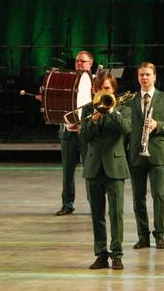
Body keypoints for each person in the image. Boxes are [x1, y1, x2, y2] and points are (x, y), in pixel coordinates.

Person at [79, 73, 131, 270]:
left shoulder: (123, 109)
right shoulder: (87, 110)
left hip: (115, 168)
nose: (104, 92)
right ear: (95, 90)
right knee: (97, 215)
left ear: (113, 90)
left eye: (107, 88)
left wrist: (111, 111)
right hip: (93, 168)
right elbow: (83, 137)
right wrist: (93, 119)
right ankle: (101, 254)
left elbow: (127, 129)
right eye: (100, 88)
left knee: (115, 214)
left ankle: (117, 254)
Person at [128, 62, 164, 250]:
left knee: (159, 195)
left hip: (156, 153)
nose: (145, 78)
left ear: (155, 76)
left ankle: (160, 235)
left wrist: (158, 125)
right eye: (141, 75)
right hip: (136, 155)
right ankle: (143, 236)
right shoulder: (131, 100)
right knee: (138, 198)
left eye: (148, 74)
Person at [56, 51, 94, 216]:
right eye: (77, 61)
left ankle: (95, 204)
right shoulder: (66, 79)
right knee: (67, 171)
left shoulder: (96, 82)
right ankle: (67, 204)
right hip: (68, 131)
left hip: (86, 132)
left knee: (90, 170)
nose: (79, 64)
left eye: (83, 61)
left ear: (90, 63)